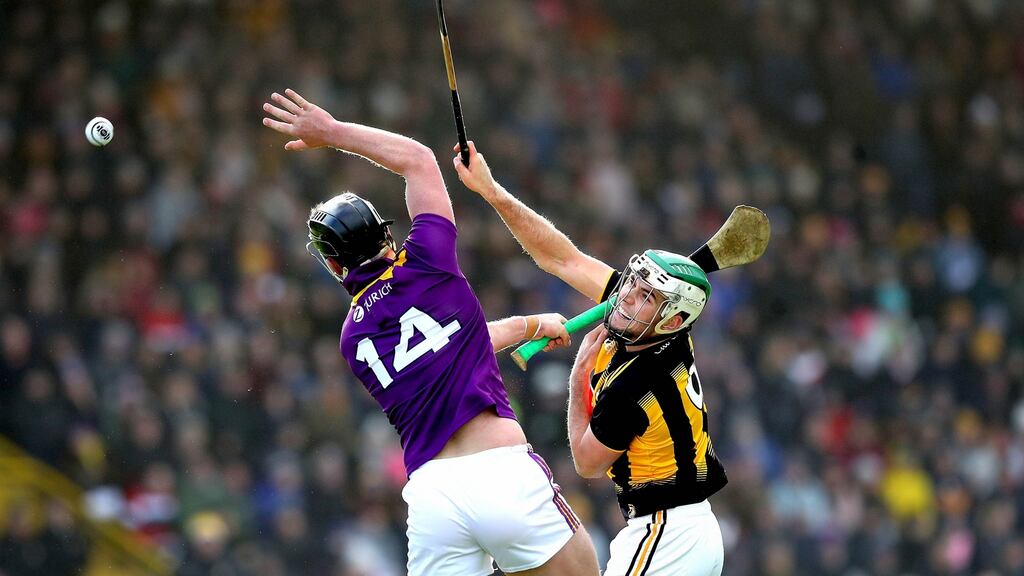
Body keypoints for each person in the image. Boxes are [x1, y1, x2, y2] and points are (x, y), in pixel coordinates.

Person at [261, 90, 599, 576]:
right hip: (500, 470)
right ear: (386, 234)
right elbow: (417, 160)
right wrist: (330, 132)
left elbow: (449, 347)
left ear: (334, 265)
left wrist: (529, 324)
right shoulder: (427, 259)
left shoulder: (351, 340)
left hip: (432, 500)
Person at [454, 141, 727, 576]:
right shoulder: (660, 328)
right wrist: (492, 191)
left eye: (645, 296)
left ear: (673, 319)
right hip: (682, 529)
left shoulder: (639, 384)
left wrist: (578, 373)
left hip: (668, 534)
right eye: (634, 284)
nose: (626, 298)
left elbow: (586, 463)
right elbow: (560, 257)